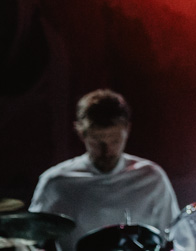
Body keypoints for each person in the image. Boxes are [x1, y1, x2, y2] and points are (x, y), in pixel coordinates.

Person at [28, 89, 179, 251]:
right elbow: (32, 242)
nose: (107, 151)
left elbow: (179, 239)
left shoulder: (152, 178)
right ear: (81, 133)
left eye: (115, 140)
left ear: (127, 130)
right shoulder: (55, 182)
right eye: (97, 141)